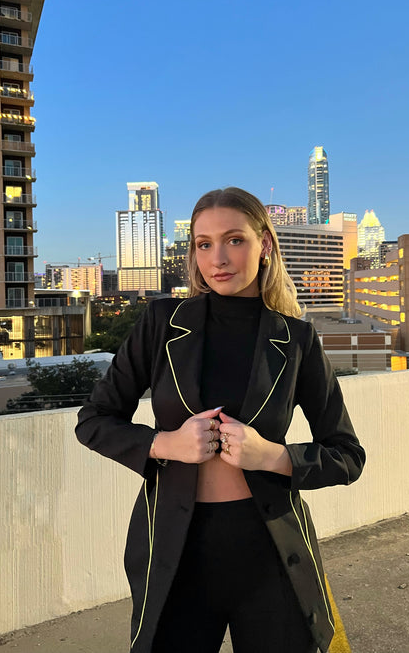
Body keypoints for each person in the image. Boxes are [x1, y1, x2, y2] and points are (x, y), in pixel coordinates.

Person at [76, 187, 365, 653]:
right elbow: (93, 419)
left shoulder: (297, 339)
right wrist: (165, 444)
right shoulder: (162, 323)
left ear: (264, 244)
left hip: (271, 553)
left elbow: (348, 456)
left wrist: (273, 456)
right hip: (176, 552)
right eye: (203, 243)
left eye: (235, 240)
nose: (218, 258)